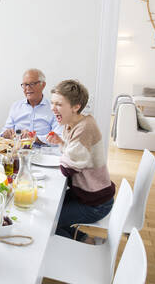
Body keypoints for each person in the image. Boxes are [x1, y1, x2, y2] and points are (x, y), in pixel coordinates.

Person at [46, 79, 115, 244]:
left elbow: (68, 169)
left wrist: (65, 155)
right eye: (52, 103)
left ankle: (78, 246)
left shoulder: (85, 128)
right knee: (50, 208)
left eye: (59, 104)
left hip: (94, 203)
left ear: (76, 107)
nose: (52, 108)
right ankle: (84, 237)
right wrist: (61, 144)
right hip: (84, 194)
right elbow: (74, 155)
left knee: (48, 220)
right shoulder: (72, 124)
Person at [1, 68, 62, 143]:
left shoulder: (54, 108)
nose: (28, 88)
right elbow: (4, 132)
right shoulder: (16, 106)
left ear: (43, 85)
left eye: (32, 84)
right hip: (19, 151)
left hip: (44, 152)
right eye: (25, 85)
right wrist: (5, 134)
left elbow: (59, 136)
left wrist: (34, 138)